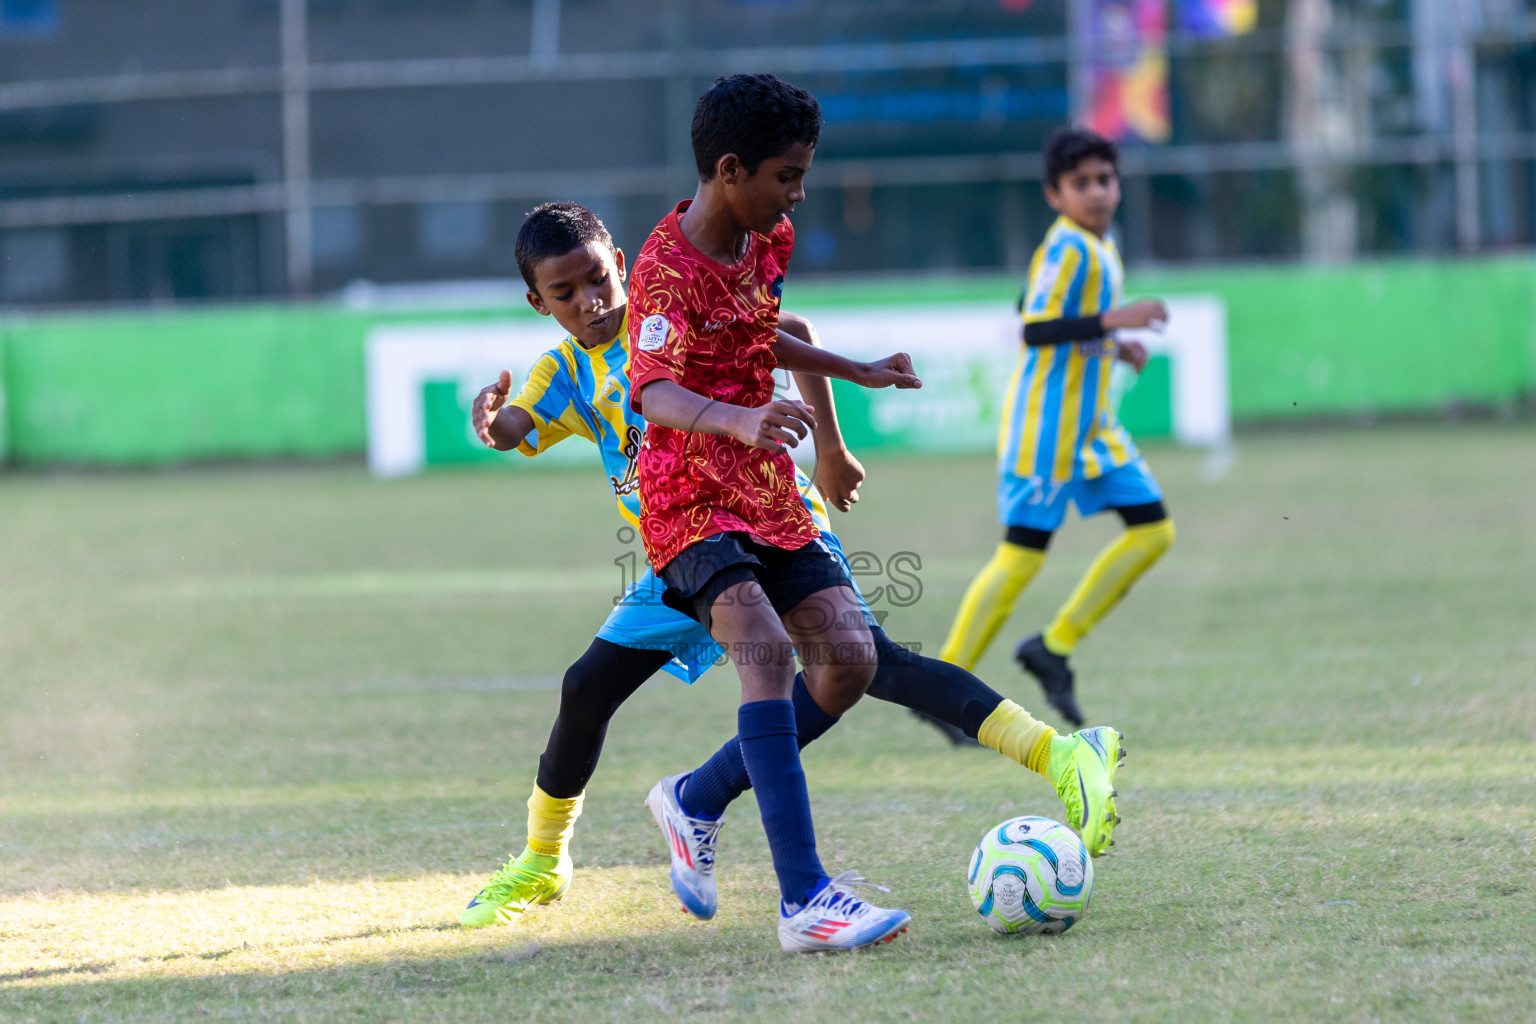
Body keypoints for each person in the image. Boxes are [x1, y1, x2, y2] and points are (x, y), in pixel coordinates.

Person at [456, 200, 1122, 942]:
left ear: (618, 261)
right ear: (537, 301)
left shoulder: (668, 307)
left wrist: (830, 449)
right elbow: (516, 423)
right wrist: (489, 422)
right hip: (686, 546)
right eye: (565, 293)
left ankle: (1052, 755)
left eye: (599, 279)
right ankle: (550, 859)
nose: (591, 302)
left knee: (867, 666)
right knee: (587, 688)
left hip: (766, 514)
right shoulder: (565, 371)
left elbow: (791, 335)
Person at [938, 127, 1176, 727]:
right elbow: (1035, 327)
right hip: (1044, 435)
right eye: (1081, 184)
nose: (1097, 193)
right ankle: (940, 688)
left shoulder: (1100, 244)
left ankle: (1053, 647)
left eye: (1105, 180)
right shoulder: (1067, 247)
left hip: (1093, 433)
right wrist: (1115, 320)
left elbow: (1034, 306)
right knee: (1020, 560)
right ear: (1054, 194)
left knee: (1154, 532)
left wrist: (1113, 343)